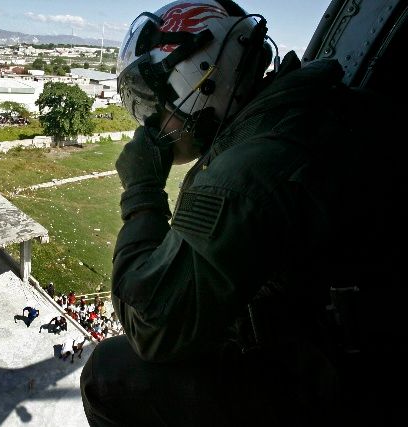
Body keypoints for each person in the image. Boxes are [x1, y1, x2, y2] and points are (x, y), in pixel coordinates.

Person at [80, 1, 403, 426]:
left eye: (151, 105)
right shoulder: (299, 109)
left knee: (109, 375)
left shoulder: (246, 172)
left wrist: (142, 191)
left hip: (334, 385)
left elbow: (149, 324)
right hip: (346, 346)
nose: (148, 124)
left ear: (201, 80)